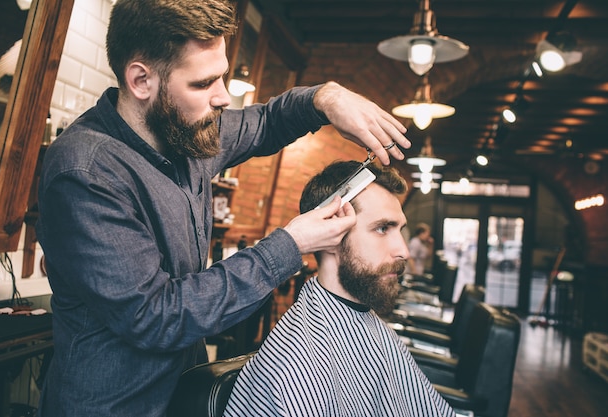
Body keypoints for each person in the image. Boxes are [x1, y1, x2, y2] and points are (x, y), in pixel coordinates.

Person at [34, 1, 411, 416]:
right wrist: (291, 243)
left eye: (223, 76)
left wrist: (327, 98)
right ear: (141, 80)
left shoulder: (186, 133)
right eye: (203, 83)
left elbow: (267, 122)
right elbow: (156, 316)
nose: (222, 97)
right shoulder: (87, 173)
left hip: (184, 394)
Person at [224, 161, 454, 417]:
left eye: (398, 230)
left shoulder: (369, 324)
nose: (403, 251)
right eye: (382, 228)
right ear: (331, 232)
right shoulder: (298, 364)